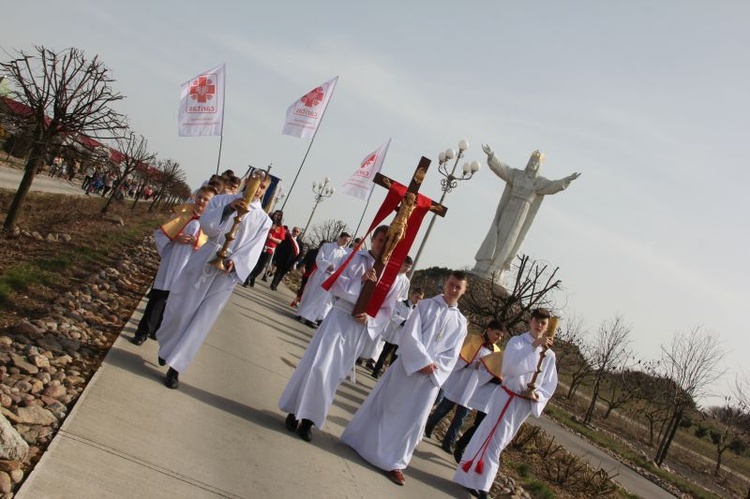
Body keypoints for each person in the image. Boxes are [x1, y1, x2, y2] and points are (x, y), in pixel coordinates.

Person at [341, 271, 469, 487]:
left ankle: (396, 463)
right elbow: (410, 333)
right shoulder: (426, 305)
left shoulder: (461, 322)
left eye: (458, 287)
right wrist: (422, 361)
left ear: (463, 291)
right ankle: (362, 443)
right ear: (445, 283)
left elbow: (453, 353)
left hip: (430, 378)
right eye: (451, 284)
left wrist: (434, 368)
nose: (453, 289)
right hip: (407, 369)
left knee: (414, 421)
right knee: (387, 407)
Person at [279, 226, 398, 443]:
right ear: (373, 239)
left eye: (387, 242)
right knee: (317, 366)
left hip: (358, 328)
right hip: (339, 318)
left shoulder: (392, 275)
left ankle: (309, 421)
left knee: (333, 375)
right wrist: (359, 281)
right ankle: (295, 411)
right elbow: (334, 284)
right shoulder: (355, 258)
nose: (382, 245)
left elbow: (387, 309)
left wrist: (371, 319)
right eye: (380, 239)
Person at [155, 174, 272, 389]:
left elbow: (254, 249)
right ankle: (167, 345)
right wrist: (228, 210)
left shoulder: (264, 220)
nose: (258, 190)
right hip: (206, 257)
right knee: (181, 309)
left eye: (263, 187)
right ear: (247, 183)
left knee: (202, 321)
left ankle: (176, 367)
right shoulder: (221, 201)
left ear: (266, 190)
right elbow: (206, 226)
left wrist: (236, 262)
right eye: (256, 185)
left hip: (226, 274)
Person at [453, 308, 558, 499]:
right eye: (537, 321)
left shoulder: (549, 355)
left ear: (546, 326)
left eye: (543, 323)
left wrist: (538, 396)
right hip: (506, 396)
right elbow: (509, 367)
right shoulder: (518, 342)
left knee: (498, 441)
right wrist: (533, 346)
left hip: (522, 404)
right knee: (493, 439)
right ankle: (483, 485)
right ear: (530, 321)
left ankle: (470, 476)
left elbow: (549, 384)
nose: (539, 326)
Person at [473, 145, 580, 278]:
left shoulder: (539, 182)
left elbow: (552, 186)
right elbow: (503, 169)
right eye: (531, 160)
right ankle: (485, 263)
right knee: (497, 233)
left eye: (536, 162)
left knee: (509, 240)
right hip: (508, 209)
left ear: (539, 165)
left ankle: (496, 270)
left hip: (520, 214)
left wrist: (566, 180)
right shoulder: (517, 174)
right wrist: (492, 156)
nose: (532, 163)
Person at [131, 186, 217, 346]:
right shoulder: (182, 214)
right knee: (158, 298)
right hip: (172, 262)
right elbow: (161, 234)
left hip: (189, 267)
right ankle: (142, 331)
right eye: (200, 197)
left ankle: (158, 330)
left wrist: (197, 242)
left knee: (173, 303)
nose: (202, 201)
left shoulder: (211, 224)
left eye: (206, 199)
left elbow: (211, 247)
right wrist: (175, 238)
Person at [424, 320, 505, 453]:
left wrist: (485, 370)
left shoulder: (496, 352)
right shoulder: (472, 339)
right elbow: (459, 358)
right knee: (445, 406)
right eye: (497, 334)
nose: (498, 338)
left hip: (475, 385)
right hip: (461, 379)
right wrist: (474, 364)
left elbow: (493, 371)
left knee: (462, 415)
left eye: (501, 336)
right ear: (489, 329)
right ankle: (429, 425)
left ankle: (448, 442)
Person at [358, 256, 413, 369]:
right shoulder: (390, 272)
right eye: (405, 265)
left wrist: (397, 300)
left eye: (409, 267)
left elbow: (403, 297)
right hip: (379, 305)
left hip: (391, 309)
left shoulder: (406, 281)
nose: (407, 269)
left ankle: (372, 358)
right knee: (370, 331)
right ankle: (360, 354)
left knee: (381, 338)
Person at [295, 232, 351, 328]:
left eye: (347, 241)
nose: (345, 243)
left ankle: (310, 318)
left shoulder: (344, 253)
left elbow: (342, 267)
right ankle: (301, 313)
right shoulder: (327, 246)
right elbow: (319, 258)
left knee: (320, 299)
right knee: (311, 295)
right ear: (339, 237)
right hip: (320, 274)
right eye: (345, 240)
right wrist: (327, 265)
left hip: (330, 278)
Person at [370, 286, 424, 378]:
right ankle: (376, 371)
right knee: (385, 353)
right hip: (394, 333)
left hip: (403, 336)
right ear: (411, 294)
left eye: (420, 299)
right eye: (417, 297)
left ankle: (388, 376)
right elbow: (394, 315)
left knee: (395, 357)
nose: (418, 300)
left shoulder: (417, 310)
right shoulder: (400, 304)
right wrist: (404, 322)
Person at [244, 210, 285, 287]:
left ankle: (251, 277)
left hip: (269, 249)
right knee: (254, 263)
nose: (276, 216)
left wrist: (272, 238)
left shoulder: (281, 228)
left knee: (261, 266)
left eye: (278, 215)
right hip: (260, 246)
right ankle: (248, 279)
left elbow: (279, 241)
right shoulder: (268, 222)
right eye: (275, 214)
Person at [269, 226, 302, 291]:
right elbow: (279, 247)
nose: (295, 232)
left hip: (290, 262)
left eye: (297, 231)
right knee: (278, 272)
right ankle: (273, 284)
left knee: (282, 274)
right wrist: (276, 257)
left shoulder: (300, 243)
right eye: (294, 230)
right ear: (292, 231)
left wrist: (295, 263)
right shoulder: (286, 237)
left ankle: (275, 284)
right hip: (282, 258)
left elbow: (300, 254)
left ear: (299, 233)